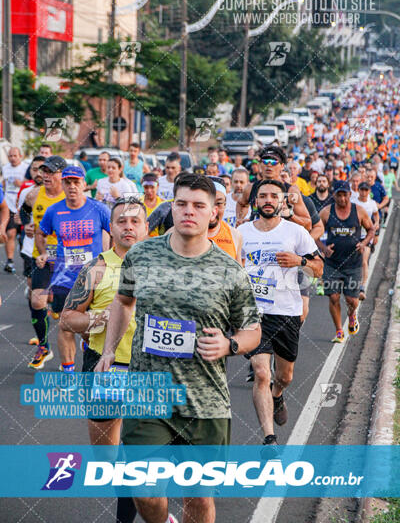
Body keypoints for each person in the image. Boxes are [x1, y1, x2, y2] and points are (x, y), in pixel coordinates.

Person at [95, 172, 260, 523]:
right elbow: (123, 302)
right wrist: (109, 349)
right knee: (144, 488)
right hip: (148, 395)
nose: (189, 211)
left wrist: (230, 344)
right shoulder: (141, 255)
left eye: (199, 205)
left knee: (199, 500)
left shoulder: (229, 270)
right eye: (182, 203)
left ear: (214, 212)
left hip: (204, 402)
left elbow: (252, 331)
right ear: (172, 207)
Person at [61, 197, 149, 523]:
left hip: (146, 367)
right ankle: (133, 496)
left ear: (145, 227)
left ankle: (131, 514)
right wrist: (99, 318)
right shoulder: (97, 269)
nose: (128, 226)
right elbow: (67, 319)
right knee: (106, 455)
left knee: (138, 452)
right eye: (121, 221)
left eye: (134, 221)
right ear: (110, 228)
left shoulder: (162, 266)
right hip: (104, 366)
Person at [238, 179, 323, 445]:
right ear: (255, 201)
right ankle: (269, 439)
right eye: (262, 196)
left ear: (282, 201)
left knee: (284, 376)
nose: (267, 200)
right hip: (252, 312)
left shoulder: (295, 232)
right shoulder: (241, 232)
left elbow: (318, 269)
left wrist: (300, 261)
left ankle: (277, 394)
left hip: (286, 311)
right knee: (261, 372)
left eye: (273, 196)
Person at [36, 166, 111, 372]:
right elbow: (40, 233)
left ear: (84, 185)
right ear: (63, 184)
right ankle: (68, 371)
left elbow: (117, 233)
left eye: (76, 182)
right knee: (65, 324)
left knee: (92, 327)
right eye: (68, 182)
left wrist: (111, 258)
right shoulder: (54, 211)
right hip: (64, 277)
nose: (72, 187)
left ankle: (88, 344)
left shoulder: (99, 209)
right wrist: (44, 253)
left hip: (94, 278)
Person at [21, 156, 67, 368]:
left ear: (61, 175)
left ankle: (80, 351)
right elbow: (21, 214)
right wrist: (26, 226)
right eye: (44, 172)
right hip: (41, 255)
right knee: (36, 300)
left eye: (51, 172)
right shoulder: (33, 195)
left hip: (68, 257)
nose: (46, 176)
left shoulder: (71, 196)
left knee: (72, 307)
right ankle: (44, 346)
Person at [318, 181, 374, 343]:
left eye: (345, 194)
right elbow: (313, 232)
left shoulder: (359, 211)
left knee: (352, 300)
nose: (342, 198)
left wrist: (364, 244)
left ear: (350, 194)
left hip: (353, 264)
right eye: (339, 195)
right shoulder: (326, 212)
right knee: (334, 297)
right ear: (334, 195)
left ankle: (351, 315)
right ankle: (339, 331)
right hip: (332, 263)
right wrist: (323, 247)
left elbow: (371, 229)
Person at [236, 146, 311, 231]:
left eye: (274, 161)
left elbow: (308, 225)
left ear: (282, 166)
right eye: (265, 161)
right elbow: (241, 203)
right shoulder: (250, 188)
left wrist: (290, 215)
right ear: (260, 164)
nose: (269, 164)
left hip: (281, 241)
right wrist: (240, 219)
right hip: (257, 240)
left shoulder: (291, 191)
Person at [15, 156, 45, 344]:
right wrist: (26, 225)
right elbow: (20, 216)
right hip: (30, 248)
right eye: (34, 169)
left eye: (42, 170)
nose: (38, 173)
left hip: (56, 251)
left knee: (53, 297)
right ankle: (42, 339)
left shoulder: (60, 193)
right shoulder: (28, 192)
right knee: (33, 292)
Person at [351, 181, 379, 301]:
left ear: (369, 191)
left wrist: (376, 226)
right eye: (361, 190)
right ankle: (352, 283)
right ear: (359, 190)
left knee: (364, 260)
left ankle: (362, 287)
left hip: (367, 235)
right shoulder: (353, 202)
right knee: (353, 260)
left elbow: (376, 215)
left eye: (366, 190)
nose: (363, 192)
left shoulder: (372, 203)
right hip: (354, 234)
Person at [2, 147, 27, 273]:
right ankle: (10, 260)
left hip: (23, 206)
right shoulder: (5, 168)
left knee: (24, 237)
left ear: (20, 156)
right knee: (10, 233)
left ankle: (26, 256)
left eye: (15, 155)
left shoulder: (25, 167)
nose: (12, 158)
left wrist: (21, 184)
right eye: (10, 156)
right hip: (10, 205)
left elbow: (30, 183)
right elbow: (4, 184)